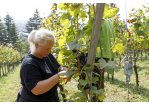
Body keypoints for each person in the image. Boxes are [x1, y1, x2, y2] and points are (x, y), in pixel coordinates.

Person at [16, 29, 68, 102]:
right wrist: (58, 75)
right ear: (37, 45)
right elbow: (36, 90)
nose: (50, 51)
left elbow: (58, 68)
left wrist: (66, 70)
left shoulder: (48, 56)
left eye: (51, 48)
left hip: (51, 98)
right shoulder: (29, 64)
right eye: (47, 48)